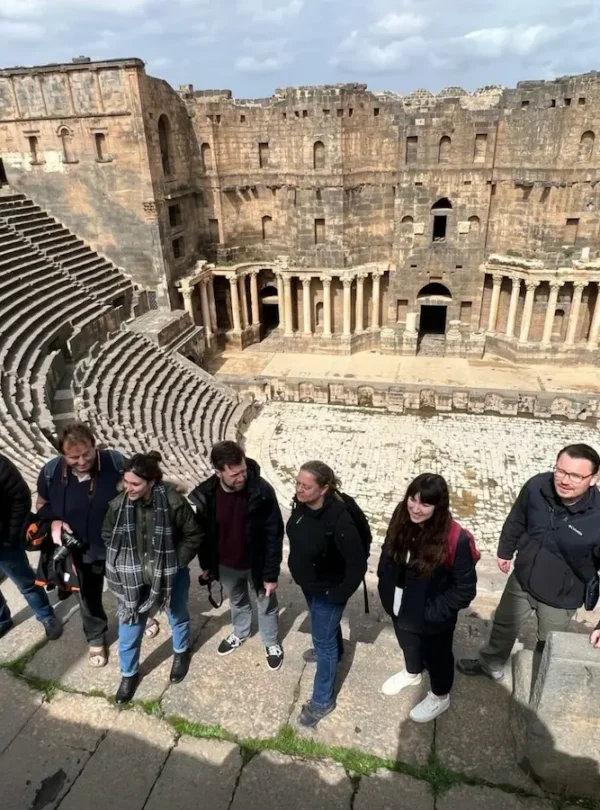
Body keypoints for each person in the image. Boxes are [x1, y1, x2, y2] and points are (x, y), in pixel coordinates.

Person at [458, 443, 600, 682]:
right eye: (561, 471)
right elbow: (517, 518)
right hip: (522, 579)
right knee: (503, 625)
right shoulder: (537, 486)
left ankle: (538, 680)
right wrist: (505, 551)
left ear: (593, 479)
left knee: (548, 643)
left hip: (561, 596)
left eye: (575, 475)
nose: (565, 480)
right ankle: (490, 663)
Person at [102, 451, 203, 704]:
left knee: (177, 614)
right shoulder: (118, 505)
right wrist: (127, 561)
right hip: (133, 578)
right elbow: (107, 534)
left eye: (135, 484)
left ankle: (181, 652)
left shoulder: (174, 503)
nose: (129, 488)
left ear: (152, 482)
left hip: (170, 574)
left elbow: (193, 535)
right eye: (126, 482)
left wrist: (175, 563)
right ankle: (128, 674)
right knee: (130, 627)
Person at [377, 474, 477, 723]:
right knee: (407, 643)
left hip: (432, 618)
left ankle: (440, 696)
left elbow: (464, 589)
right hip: (399, 606)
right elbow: (388, 549)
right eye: (413, 499)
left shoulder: (456, 539)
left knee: (438, 658)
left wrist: (431, 613)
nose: (415, 508)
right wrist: (385, 585)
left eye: (425, 504)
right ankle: (412, 673)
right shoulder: (402, 514)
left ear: (438, 507)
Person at [189, 441, 284, 671]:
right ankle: (241, 632)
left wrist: (271, 574)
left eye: (242, 470)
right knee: (238, 601)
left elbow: (274, 534)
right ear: (218, 471)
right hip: (226, 565)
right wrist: (206, 565)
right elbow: (203, 533)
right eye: (234, 474)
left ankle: (271, 642)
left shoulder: (262, 490)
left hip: (257, 564)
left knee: (267, 604)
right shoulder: (207, 494)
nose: (241, 477)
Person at [36, 422, 125, 667]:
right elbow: (41, 503)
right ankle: (96, 637)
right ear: (63, 455)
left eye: (87, 453)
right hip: (79, 554)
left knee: (128, 588)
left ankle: (138, 618)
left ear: (95, 446)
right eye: (74, 457)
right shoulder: (50, 472)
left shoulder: (116, 463)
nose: (83, 461)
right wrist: (54, 521)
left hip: (117, 546)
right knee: (88, 598)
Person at [287, 461, 367, 728]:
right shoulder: (302, 503)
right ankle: (337, 650)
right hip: (309, 583)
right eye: (298, 483)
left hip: (328, 590)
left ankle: (322, 701)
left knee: (323, 642)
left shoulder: (340, 521)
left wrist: (337, 594)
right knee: (325, 632)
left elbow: (357, 565)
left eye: (306, 486)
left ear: (323, 489)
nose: (299, 489)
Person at [0, 453, 62, 641]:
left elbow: (20, 497)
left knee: (26, 582)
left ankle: (46, 615)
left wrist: (11, 534)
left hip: (4, 543)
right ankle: (2, 620)